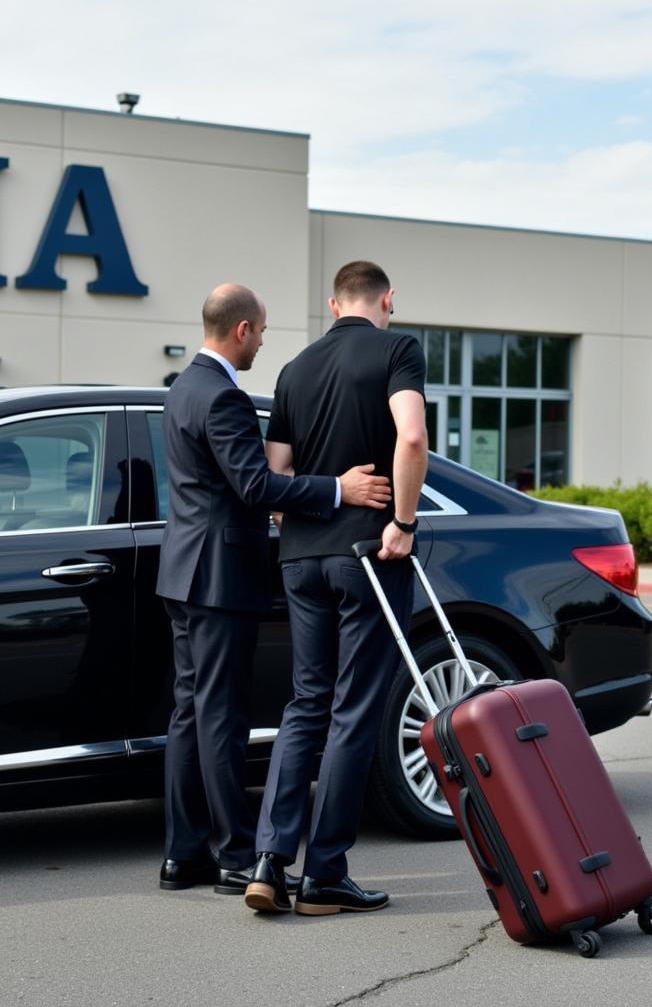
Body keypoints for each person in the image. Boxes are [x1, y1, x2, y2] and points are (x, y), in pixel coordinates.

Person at [155, 282, 393, 895]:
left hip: (182, 570)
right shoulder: (223, 398)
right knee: (220, 719)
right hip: (219, 574)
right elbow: (255, 486)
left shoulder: (182, 388)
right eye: (261, 331)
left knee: (189, 713)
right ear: (241, 330)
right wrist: (338, 489)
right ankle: (236, 853)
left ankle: (184, 853)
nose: (263, 341)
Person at [245, 261, 428, 915]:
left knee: (305, 703)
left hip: (301, 556)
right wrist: (402, 524)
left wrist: (311, 507)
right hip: (368, 553)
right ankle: (324, 874)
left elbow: (276, 475)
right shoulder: (397, 349)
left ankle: (269, 860)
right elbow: (411, 435)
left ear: (332, 304)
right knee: (354, 709)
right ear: (387, 300)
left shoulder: (294, 370)